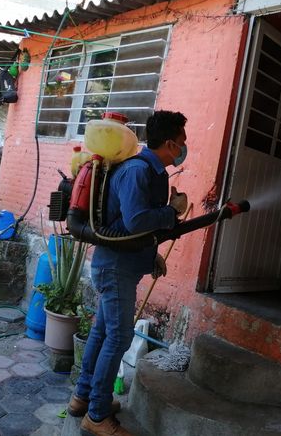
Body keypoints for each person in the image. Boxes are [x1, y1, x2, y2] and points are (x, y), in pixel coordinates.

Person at [68, 110, 189, 436]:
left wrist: (154, 257)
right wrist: (171, 212)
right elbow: (137, 222)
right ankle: (97, 415)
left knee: (102, 333)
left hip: (125, 265)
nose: (183, 148)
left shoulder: (155, 173)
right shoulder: (137, 171)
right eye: (181, 143)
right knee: (118, 338)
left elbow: (134, 227)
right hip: (115, 268)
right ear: (168, 143)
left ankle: (82, 397)